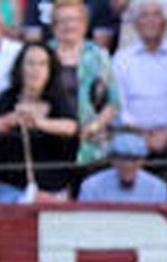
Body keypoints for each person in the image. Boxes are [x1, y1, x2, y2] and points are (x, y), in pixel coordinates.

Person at [111, 0, 167, 186]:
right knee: (123, 142)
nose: (150, 21)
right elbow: (118, 103)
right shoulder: (122, 58)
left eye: (156, 15)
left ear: (165, 23)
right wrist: (141, 132)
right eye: (144, 16)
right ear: (135, 24)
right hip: (133, 128)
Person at [0, 40, 79, 201]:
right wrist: (13, 119)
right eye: (30, 63)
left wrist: (39, 123)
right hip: (11, 188)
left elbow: (71, 127)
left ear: (50, 70)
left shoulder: (59, 99)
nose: (35, 70)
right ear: (20, 67)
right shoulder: (8, 97)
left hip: (53, 190)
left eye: (42, 64)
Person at [48, 0, 120, 168]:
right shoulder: (44, 53)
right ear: (54, 26)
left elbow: (114, 102)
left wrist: (94, 127)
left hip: (92, 145)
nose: (68, 26)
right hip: (52, 143)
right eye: (62, 21)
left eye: (74, 20)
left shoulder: (98, 55)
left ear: (84, 24)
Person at [76, 128, 167, 201]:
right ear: (112, 160)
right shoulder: (91, 187)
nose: (128, 165)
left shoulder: (157, 188)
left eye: (134, 159)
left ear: (142, 160)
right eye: (123, 159)